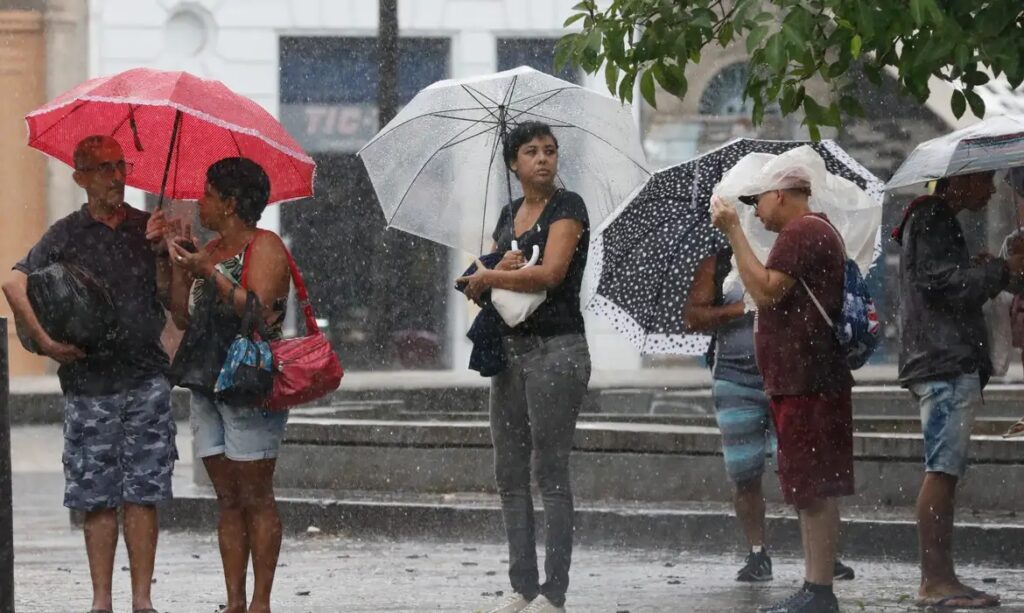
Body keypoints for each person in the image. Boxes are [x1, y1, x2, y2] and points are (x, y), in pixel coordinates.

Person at [2, 135, 175, 613]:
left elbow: (171, 302)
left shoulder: (147, 228)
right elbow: (13, 283)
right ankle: (101, 602)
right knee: (96, 497)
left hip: (145, 379)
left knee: (144, 493)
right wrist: (47, 343)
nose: (116, 176)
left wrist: (166, 254)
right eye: (102, 168)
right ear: (80, 178)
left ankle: (142, 600)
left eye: (120, 165)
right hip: (89, 384)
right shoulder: (66, 234)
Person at [458, 121, 591, 613]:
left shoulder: (568, 206)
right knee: (509, 473)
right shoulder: (508, 213)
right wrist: (497, 269)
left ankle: (554, 593)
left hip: (558, 350)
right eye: (531, 151)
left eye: (550, 151)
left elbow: (553, 273)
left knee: (550, 471)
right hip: (509, 353)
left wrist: (489, 275)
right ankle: (523, 586)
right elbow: (504, 278)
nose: (543, 159)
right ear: (513, 163)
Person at [710, 163, 854, 613]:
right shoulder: (813, 232)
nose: (755, 213)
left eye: (756, 203)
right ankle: (816, 588)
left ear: (779, 193)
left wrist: (733, 230)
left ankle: (819, 589)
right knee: (811, 487)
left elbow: (767, 291)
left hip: (807, 380)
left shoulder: (802, 232)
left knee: (812, 488)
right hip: (807, 379)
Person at [163, 157, 291, 613]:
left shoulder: (266, 246)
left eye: (208, 194)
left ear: (231, 203)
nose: (200, 202)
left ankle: (261, 602)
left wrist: (210, 274)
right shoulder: (210, 249)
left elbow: (259, 311)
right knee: (228, 497)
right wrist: (180, 265)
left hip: (248, 384)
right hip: (206, 385)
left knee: (256, 494)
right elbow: (182, 316)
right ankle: (234, 600)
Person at [684, 247, 856, 584]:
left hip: (791, 378)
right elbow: (693, 317)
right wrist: (740, 308)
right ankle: (758, 553)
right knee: (744, 472)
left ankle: (824, 556)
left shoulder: (792, 258)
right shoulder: (719, 264)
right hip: (736, 381)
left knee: (804, 467)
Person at [892, 170, 1024, 609]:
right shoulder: (932, 215)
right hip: (944, 361)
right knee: (942, 469)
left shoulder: (935, 218)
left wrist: (986, 269)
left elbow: (949, 278)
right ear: (960, 181)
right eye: (985, 181)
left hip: (943, 358)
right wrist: (1000, 270)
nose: (990, 190)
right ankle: (936, 581)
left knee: (945, 468)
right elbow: (946, 286)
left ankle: (941, 578)